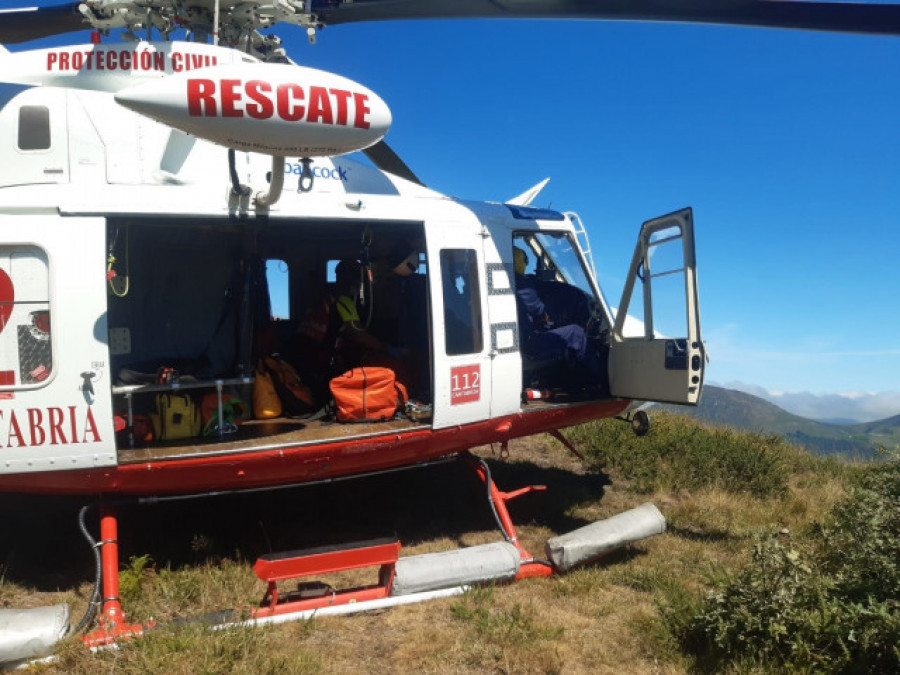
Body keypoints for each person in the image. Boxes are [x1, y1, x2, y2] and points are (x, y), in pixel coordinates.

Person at [513, 246, 598, 383]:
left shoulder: (505, 281)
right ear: (521, 262)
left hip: (518, 339)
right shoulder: (522, 285)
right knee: (576, 333)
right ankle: (595, 381)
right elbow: (540, 313)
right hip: (527, 344)